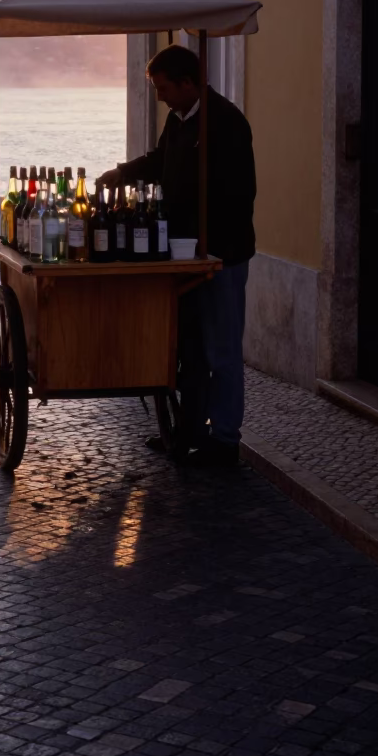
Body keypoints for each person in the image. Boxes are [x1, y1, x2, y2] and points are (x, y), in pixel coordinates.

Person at [99, 44, 256, 468]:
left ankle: (224, 441)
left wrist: (208, 244)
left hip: (220, 256)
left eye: (163, 87)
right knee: (188, 346)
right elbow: (160, 161)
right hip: (182, 255)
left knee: (222, 351)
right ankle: (190, 431)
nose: (160, 96)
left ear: (188, 82)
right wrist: (125, 172)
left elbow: (239, 195)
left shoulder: (226, 122)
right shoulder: (178, 119)